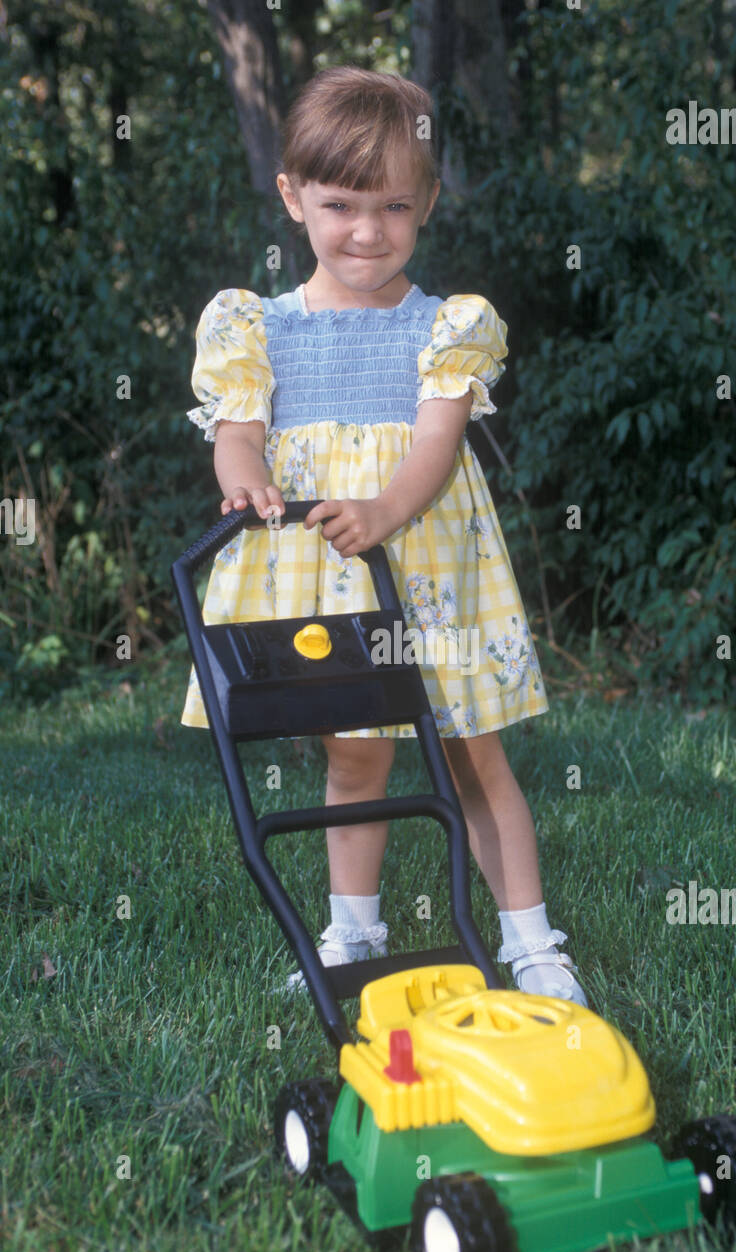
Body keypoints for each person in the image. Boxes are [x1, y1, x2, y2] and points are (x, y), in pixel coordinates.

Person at [181, 65, 587, 1005]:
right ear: (293, 198)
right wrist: (242, 477)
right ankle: (354, 935)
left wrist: (383, 512)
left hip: (429, 567)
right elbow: (238, 431)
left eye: (394, 208)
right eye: (341, 205)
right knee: (354, 754)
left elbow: (436, 450)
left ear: (429, 203)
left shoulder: (446, 328)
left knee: (470, 752)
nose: (368, 231)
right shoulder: (257, 328)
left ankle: (531, 945)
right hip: (325, 575)